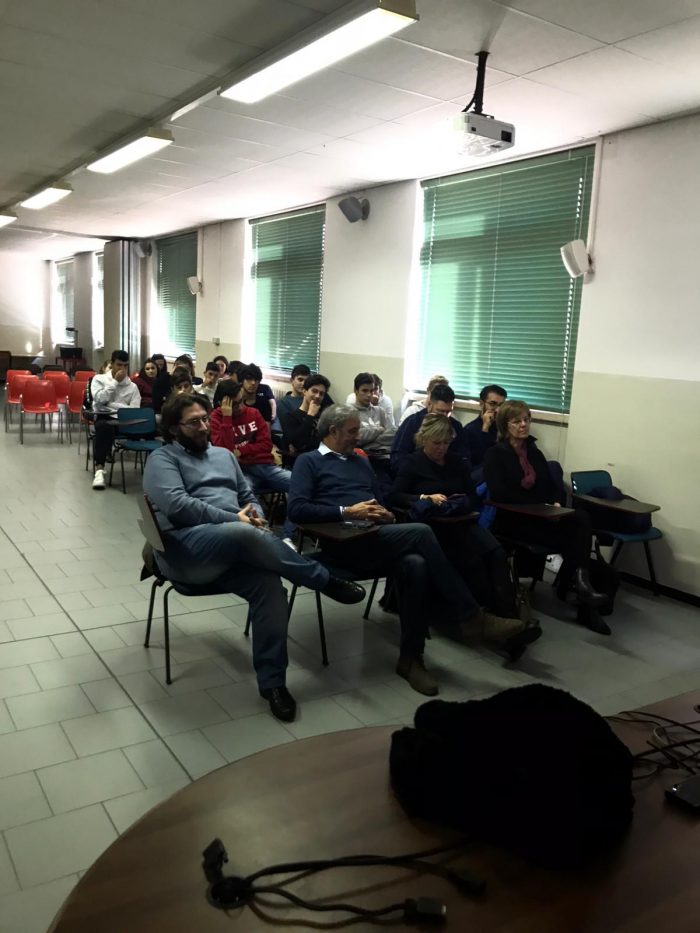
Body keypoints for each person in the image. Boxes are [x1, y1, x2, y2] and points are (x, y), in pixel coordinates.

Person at [142, 394, 366, 723]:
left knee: (271, 588)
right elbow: (178, 507)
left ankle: (273, 684)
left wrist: (256, 515)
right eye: (193, 422)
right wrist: (235, 519)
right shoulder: (162, 459)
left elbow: (247, 496)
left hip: (235, 548)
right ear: (174, 429)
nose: (203, 427)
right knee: (241, 532)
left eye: (204, 419)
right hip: (186, 551)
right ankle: (322, 579)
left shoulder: (223, 455)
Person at [288, 405, 496, 697]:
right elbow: (296, 509)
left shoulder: (360, 461)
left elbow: (382, 500)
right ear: (332, 431)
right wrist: (347, 511)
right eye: (353, 431)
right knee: (421, 532)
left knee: (416, 564)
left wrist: (387, 515)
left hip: (373, 538)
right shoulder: (308, 462)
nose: (358, 436)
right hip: (340, 544)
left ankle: (411, 659)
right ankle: (471, 615)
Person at [391, 415, 540, 658]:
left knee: (496, 553)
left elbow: (472, 495)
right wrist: (424, 498)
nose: (442, 448)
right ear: (423, 439)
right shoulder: (412, 463)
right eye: (436, 443)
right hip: (433, 529)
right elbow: (395, 496)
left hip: (461, 521)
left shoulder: (455, 461)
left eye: (446, 443)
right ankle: (500, 627)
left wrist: (459, 501)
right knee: (473, 561)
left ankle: (509, 619)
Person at [483, 399, 609, 634]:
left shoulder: (534, 452)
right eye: (517, 421)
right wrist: (537, 505)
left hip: (540, 517)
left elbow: (551, 487)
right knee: (575, 542)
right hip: (513, 521)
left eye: (527, 419)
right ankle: (584, 598)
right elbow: (501, 494)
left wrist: (555, 503)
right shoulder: (495, 454)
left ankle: (583, 586)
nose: (524, 425)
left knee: (580, 518)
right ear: (505, 425)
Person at [210, 380, 294, 537]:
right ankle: (264, 538)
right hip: (239, 472)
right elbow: (225, 452)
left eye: (241, 401)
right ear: (223, 404)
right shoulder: (216, 418)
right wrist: (227, 419)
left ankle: (288, 536)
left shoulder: (253, 413)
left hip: (264, 466)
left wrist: (241, 451)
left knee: (300, 484)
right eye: (235, 404)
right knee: (248, 501)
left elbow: (266, 444)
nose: (241, 406)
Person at [89, 349, 141, 490]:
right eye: (119, 365)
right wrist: (115, 382)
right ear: (112, 364)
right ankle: (99, 470)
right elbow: (99, 400)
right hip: (104, 417)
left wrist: (111, 405)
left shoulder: (133, 387)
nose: (122, 368)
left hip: (125, 420)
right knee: (104, 427)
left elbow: (134, 410)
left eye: (125, 365)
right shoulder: (99, 379)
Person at [390, 383, 463, 474]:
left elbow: (462, 457)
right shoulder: (412, 422)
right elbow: (398, 457)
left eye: (448, 412)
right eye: (440, 411)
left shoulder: (456, 426)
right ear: (429, 404)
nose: (445, 416)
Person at [279, 373, 330, 453]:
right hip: (300, 459)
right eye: (314, 391)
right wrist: (310, 415)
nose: (317, 396)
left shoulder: (324, 417)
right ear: (304, 391)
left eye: (321, 394)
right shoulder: (289, 417)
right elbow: (298, 444)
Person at [349, 371, 396, 457]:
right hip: (362, 458)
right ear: (356, 391)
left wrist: (369, 443)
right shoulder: (349, 413)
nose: (369, 395)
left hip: (384, 455)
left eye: (371, 391)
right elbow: (357, 438)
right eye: (364, 391)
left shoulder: (380, 411)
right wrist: (379, 430)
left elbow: (394, 434)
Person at [462, 384, 507, 472]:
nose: (497, 410)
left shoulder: (504, 427)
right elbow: (479, 459)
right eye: (492, 404)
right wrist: (485, 429)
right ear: (482, 403)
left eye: (501, 405)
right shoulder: (469, 430)